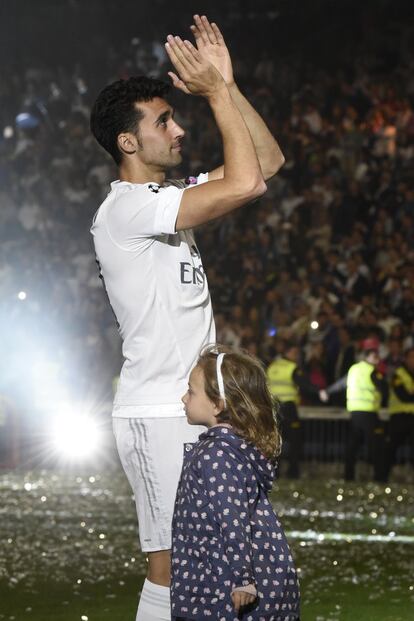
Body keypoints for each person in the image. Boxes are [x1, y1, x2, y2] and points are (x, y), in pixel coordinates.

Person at [89, 15, 284, 621]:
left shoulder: (161, 202)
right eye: (163, 121)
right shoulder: (126, 210)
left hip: (194, 407)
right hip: (156, 411)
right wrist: (217, 94)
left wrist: (229, 87)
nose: (179, 129)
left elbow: (267, 164)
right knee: (172, 563)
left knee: (211, 561)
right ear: (128, 143)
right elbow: (248, 183)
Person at [171, 345, 300, 621]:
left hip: (221, 584)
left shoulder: (217, 454)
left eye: (192, 391)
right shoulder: (231, 448)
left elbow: (231, 517)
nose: (184, 398)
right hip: (223, 577)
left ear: (218, 404)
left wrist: (242, 578)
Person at [327, 339, 388, 481]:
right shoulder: (372, 371)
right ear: (370, 356)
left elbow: (341, 383)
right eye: (376, 357)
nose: (377, 360)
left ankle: (349, 477)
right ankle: (379, 477)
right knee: (375, 445)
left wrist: (327, 392)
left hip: (354, 412)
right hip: (369, 413)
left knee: (353, 446)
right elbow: (384, 389)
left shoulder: (354, 369)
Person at [266, 341, 328, 478]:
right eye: (295, 353)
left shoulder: (273, 366)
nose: (297, 356)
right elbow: (305, 384)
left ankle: (275, 471)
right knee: (295, 439)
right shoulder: (292, 368)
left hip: (273, 408)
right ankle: (293, 471)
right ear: (288, 353)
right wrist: (319, 391)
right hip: (288, 408)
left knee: (276, 441)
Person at [385, 347, 414, 479]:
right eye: (411, 357)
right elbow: (404, 396)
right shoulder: (398, 374)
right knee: (391, 448)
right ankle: (384, 476)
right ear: (406, 358)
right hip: (399, 417)